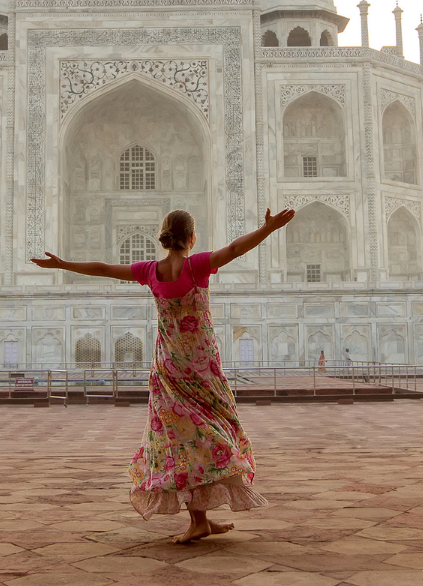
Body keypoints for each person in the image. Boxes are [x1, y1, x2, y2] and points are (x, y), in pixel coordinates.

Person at [31, 206, 291, 543]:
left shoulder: (151, 270)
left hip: (168, 368)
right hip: (201, 368)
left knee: (184, 439)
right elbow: (235, 249)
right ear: (192, 237)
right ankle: (199, 519)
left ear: (166, 236)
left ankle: (202, 518)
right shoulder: (197, 266)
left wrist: (64, 264)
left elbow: (103, 268)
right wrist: (267, 229)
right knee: (208, 434)